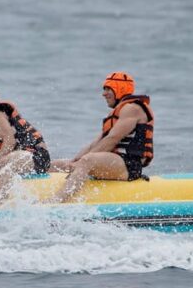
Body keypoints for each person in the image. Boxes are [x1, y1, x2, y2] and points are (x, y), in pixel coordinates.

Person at [50, 72, 154, 202]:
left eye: (108, 89)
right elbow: (95, 143)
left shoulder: (132, 108)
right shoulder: (118, 113)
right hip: (110, 161)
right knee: (57, 164)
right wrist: (74, 161)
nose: (104, 94)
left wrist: (82, 162)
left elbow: (112, 140)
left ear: (120, 88)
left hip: (129, 165)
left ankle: (55, 202)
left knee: (87, 160)